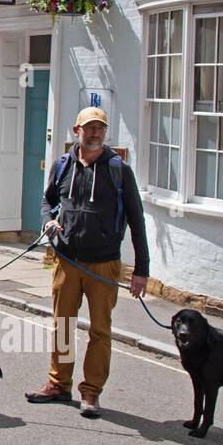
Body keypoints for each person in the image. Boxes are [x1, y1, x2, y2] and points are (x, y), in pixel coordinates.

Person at [26, 106, 149, 419]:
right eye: (89, 128)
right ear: (76, 130)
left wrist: (142, 270)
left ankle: (91, 391)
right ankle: (58, 384)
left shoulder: (119, 170)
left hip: (104, 264)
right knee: (63, 325)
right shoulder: (63, 165)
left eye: (100, 129)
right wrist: (48, 221)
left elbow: (136, 219)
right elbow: (47, 201)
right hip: (66, 260)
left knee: (100, 331)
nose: (95, 134)